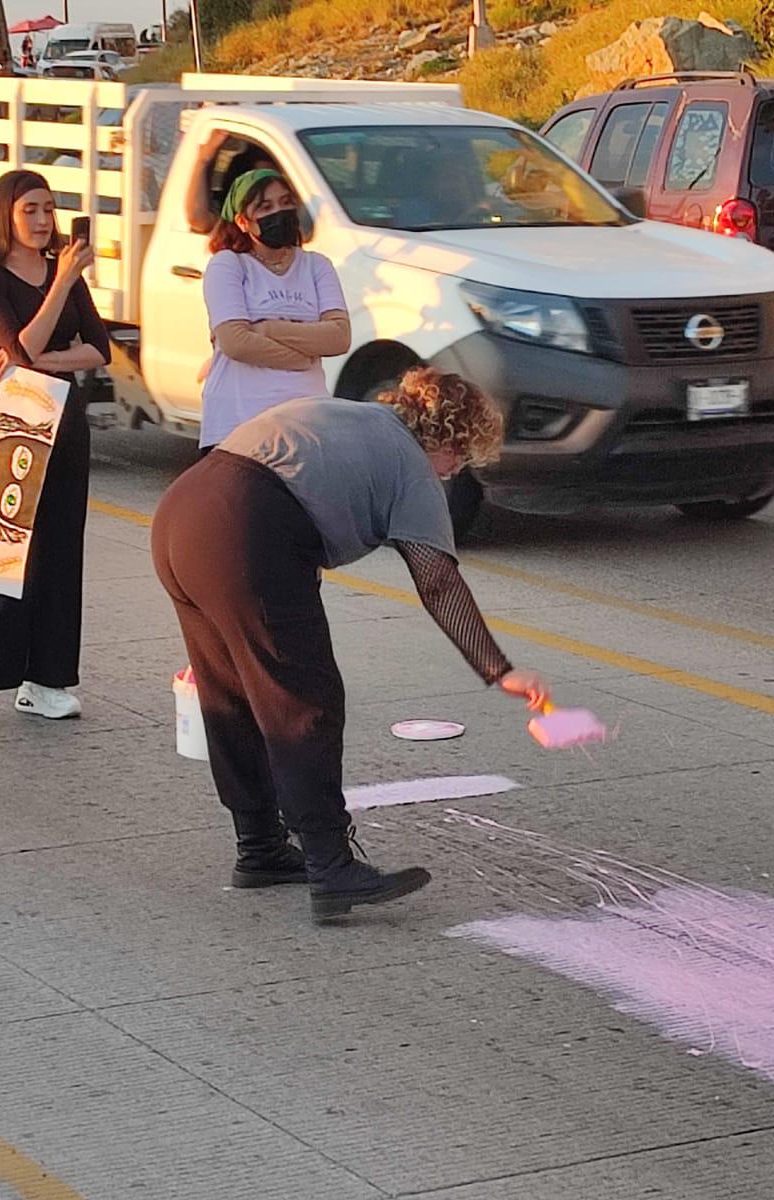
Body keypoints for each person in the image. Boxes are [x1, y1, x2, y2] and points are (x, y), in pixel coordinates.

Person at [150, 368, 552, 922]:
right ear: (446, 440)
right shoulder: (412, 465)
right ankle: (331, 867)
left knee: (231, 693)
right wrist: (497, 668)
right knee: (303, 700)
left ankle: (260, 848)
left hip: (182, 513)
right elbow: (436, 579)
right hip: (244, 528)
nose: (456, 472)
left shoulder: (357, 416)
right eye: (460, 459)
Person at [0, 169, 111, 730]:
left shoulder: (62, 272)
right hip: (12, 429)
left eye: (50, 210)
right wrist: (61, 287)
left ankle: (45, 680)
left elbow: (99, 351)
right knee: (3, 550)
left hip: (65, 423)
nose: (44, 222)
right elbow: (19, 344)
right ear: (6, 215)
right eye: (31, 211)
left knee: (61, 552)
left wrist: (38, 358)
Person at [199, 169, 349, 451]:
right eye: (265, 207)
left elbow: (339, 336)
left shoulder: (317, 266)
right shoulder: (229, 265)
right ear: (243, 221)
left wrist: (266, 328)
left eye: (285, 202)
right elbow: (235, 343)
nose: (279, 212)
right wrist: (300, 358)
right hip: (241, 423)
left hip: (307, 422)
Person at [185, 130, 276, 235]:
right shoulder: (235, 224)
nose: (270, 188)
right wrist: (203, 160)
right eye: (259, 183)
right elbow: (198, 219)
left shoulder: (289, 212)